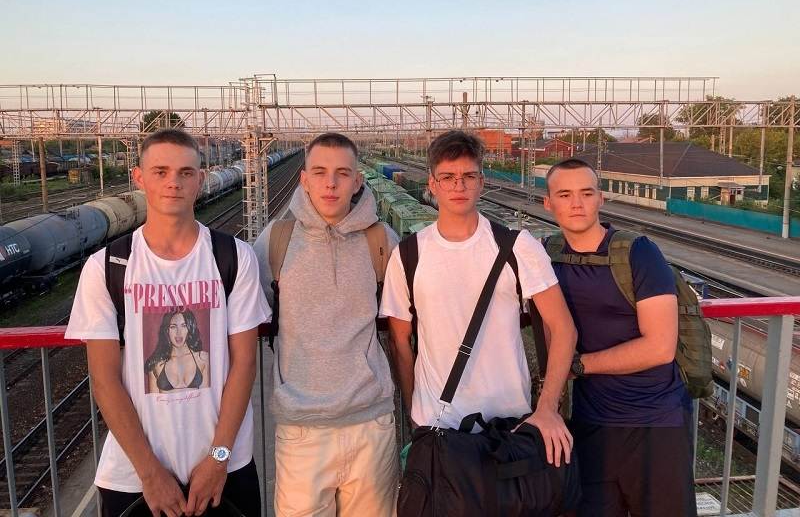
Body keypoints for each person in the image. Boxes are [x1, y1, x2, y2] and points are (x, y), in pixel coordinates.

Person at [66, 128, 269, 517]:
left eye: (185, 173)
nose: (173, 182)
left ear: (200, 179)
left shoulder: (233, 257)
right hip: (134, 477)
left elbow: (244, 364)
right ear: (139, 178)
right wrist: (150, 473)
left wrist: (219, 457)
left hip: (225, 469)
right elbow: (104, 380)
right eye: (160, 172)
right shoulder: (106, 267)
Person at [381, 129, 577, 466]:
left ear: (481, 182)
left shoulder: (518, 247)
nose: (458, 186)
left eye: (468, 176)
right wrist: (416, 414)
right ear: (432, 184)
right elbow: (400, 342)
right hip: (439, 429)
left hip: (509, 428)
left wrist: (547, 408)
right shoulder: (408, 255)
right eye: (448, 177)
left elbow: (563, 328)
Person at [254, 132, 399, 517]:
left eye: (342, 173)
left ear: (358, 180)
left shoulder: (382, 242)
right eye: (319, 172)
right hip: (301, 430)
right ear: (304, 179)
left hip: (370, 424)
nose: (330, 183)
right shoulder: (275, 241)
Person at [542, 157, 696, 517]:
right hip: (591, 424)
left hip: (655, 423)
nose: (576, 204)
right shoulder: (547, 256)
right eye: (564, 195)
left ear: (601, 199)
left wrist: (578, 365)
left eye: (586, 193)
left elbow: (660, 347)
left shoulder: (639, 253)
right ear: (548, 203)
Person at [145, 309, 210, 394]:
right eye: (173, 327)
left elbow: (206, 398)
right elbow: (153, 401)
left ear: (190, 328)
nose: (178, 332)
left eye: (184, 326)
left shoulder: (203, 358)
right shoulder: (155, 364)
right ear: (167, 330)